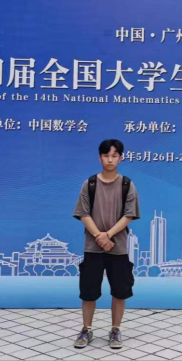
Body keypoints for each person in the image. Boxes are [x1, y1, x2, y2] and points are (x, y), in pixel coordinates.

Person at [72, 139, 140, 350]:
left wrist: (107, 235)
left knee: (119, 291)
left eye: (114, 155)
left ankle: (115, 330)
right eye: (106, 155)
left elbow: (129, 215)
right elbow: (83, 213)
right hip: (92, 248)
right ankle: (86, 329)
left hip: (118, 248)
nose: (110, 160)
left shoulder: (127, 185)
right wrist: (98, 236)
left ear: (121, 158)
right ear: (99, 158)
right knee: (88, 291)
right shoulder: (90, 184)